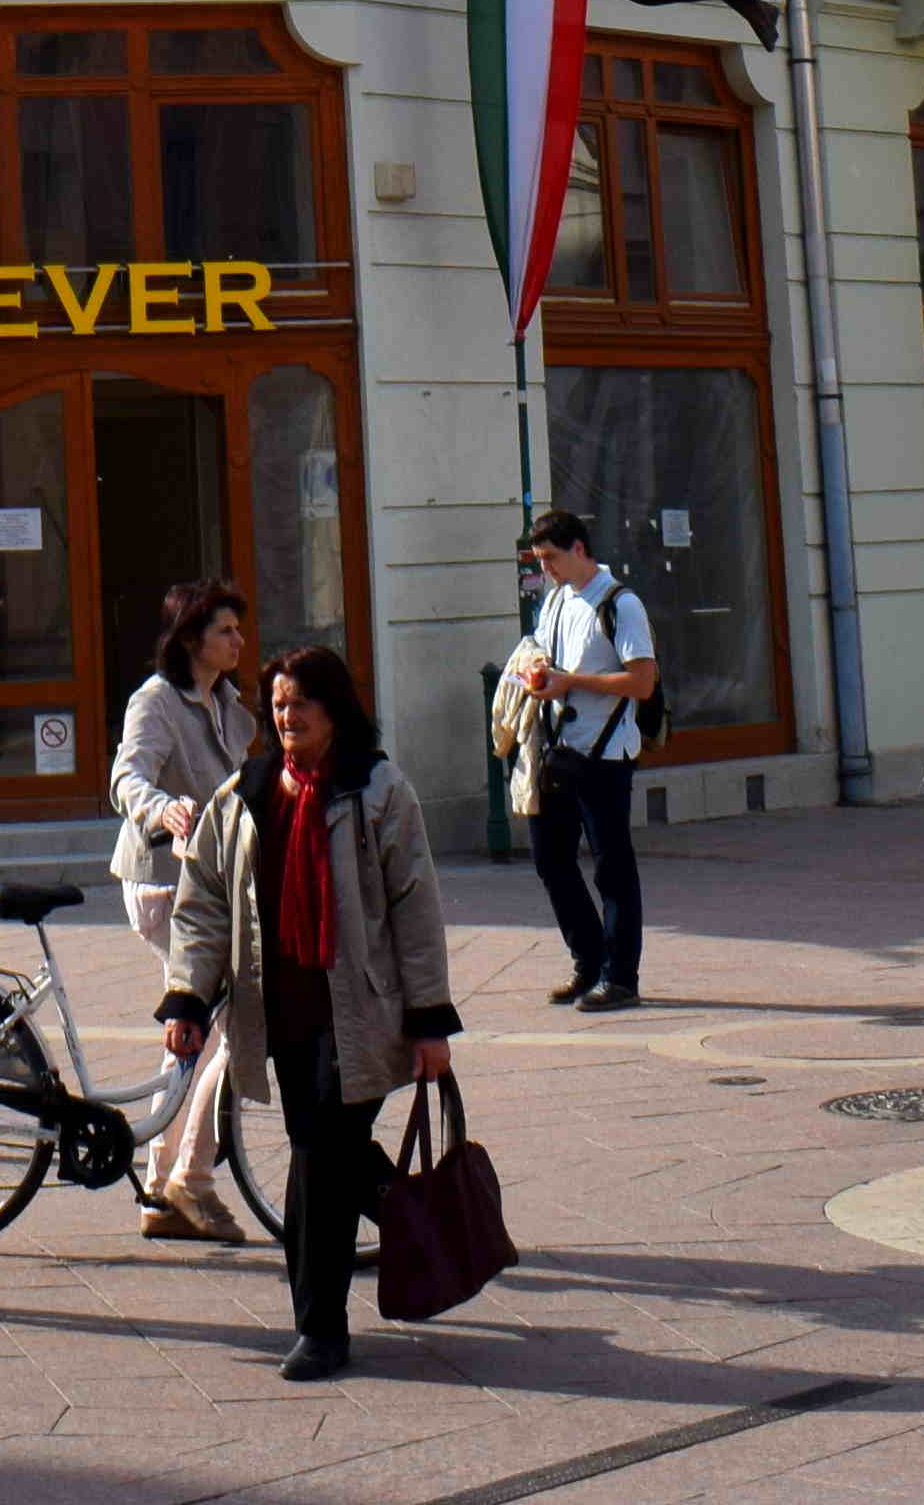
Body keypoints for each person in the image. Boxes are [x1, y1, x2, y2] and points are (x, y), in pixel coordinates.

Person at [154, 640, 461, 1383]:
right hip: (281, 1011)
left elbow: (414, 912)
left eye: (302, 704)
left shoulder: (379, 790)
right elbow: (202, 905)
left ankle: (320, 1327)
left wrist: (429, 1019)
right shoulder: (247, 793)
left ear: (335, 710)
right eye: (278, 704)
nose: (287, 716)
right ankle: (408, 1217)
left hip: (361, 1009)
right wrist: (189, 996)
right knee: (321, 1148)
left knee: (316, 1160)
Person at [105, 582, 262, 1243]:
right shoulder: (157, 700)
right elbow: (126, 776)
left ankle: (165, 1188)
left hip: (214, 888)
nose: (238, 642)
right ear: (193, 638)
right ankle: (186, 1181)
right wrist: (160, 808)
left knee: (196, 1033)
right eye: (226, 630)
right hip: (165, 883)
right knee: (232, 1025)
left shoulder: (229, 705)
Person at [512, 508, 655, 1011]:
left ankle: (621, 978)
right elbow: (543, 653)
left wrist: (573, 681)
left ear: (578, 548)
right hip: (559, 750)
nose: (545, 568)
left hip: (606, 754)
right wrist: (537, 668)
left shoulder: (620, 603)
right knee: (550, 859)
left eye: (551, 557)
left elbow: (642, 681)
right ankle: (588, 962)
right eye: (539, 559)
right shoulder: (555, 601)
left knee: (612, 868)